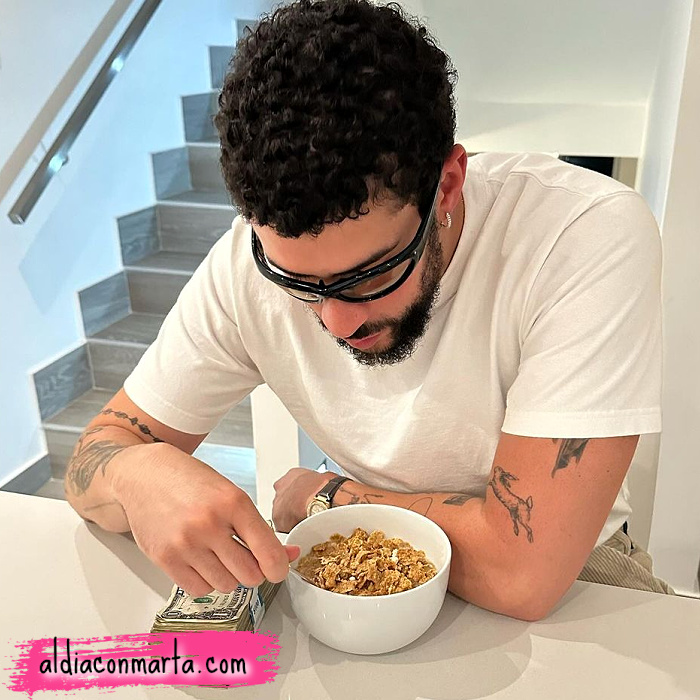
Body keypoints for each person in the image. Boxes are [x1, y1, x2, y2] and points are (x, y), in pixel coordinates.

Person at [64, 0, 671, 621]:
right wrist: (137, 473)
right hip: (358, 570)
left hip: (577, 579)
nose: (336, 322)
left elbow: (522, 576)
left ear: (447, 186)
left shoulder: (580, 234)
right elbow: (93, 459)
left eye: (373, 274)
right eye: (296, 282)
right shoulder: (244, 266)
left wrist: (328, 495)